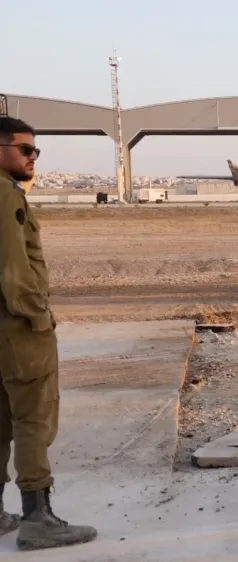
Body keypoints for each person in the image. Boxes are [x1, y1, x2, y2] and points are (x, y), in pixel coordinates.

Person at [0, 116, 97, 550]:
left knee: (1, 419)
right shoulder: (5, 195)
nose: (33, 157)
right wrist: (36, 316)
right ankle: (37, 516)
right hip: (17, 326)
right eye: (25, 149)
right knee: (35, 417)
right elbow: (12, 266)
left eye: (35, 150)